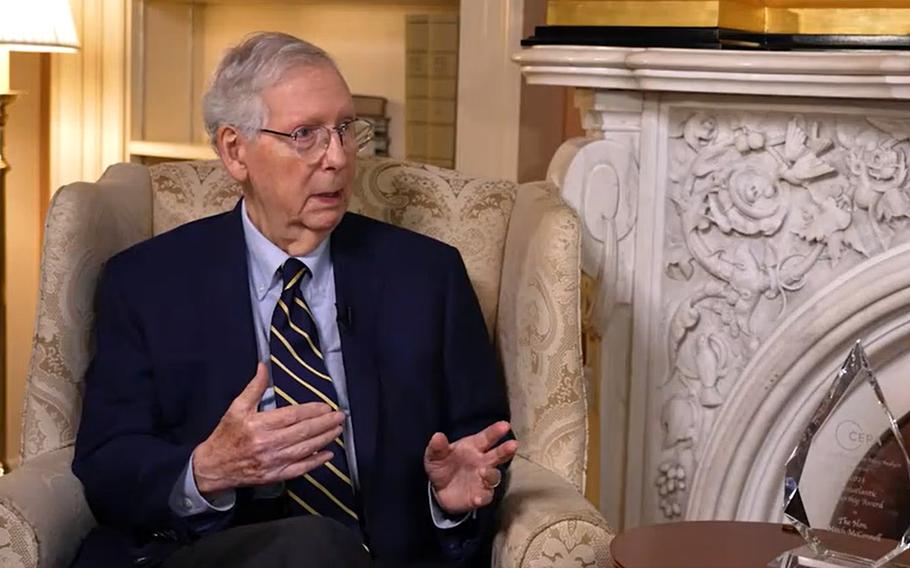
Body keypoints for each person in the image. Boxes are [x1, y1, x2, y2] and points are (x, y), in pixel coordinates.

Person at [70, 31, 517, 568]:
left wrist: (449, 503)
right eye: (305, 134)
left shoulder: (428, 277)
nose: (337, 158)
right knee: (314, 545)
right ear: (236, 151)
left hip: (381, 557)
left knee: (326, 548)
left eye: (346, 129)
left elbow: (479, 445)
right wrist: (206, 469)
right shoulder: (145, 284)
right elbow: (107, 465)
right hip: (209, 554)